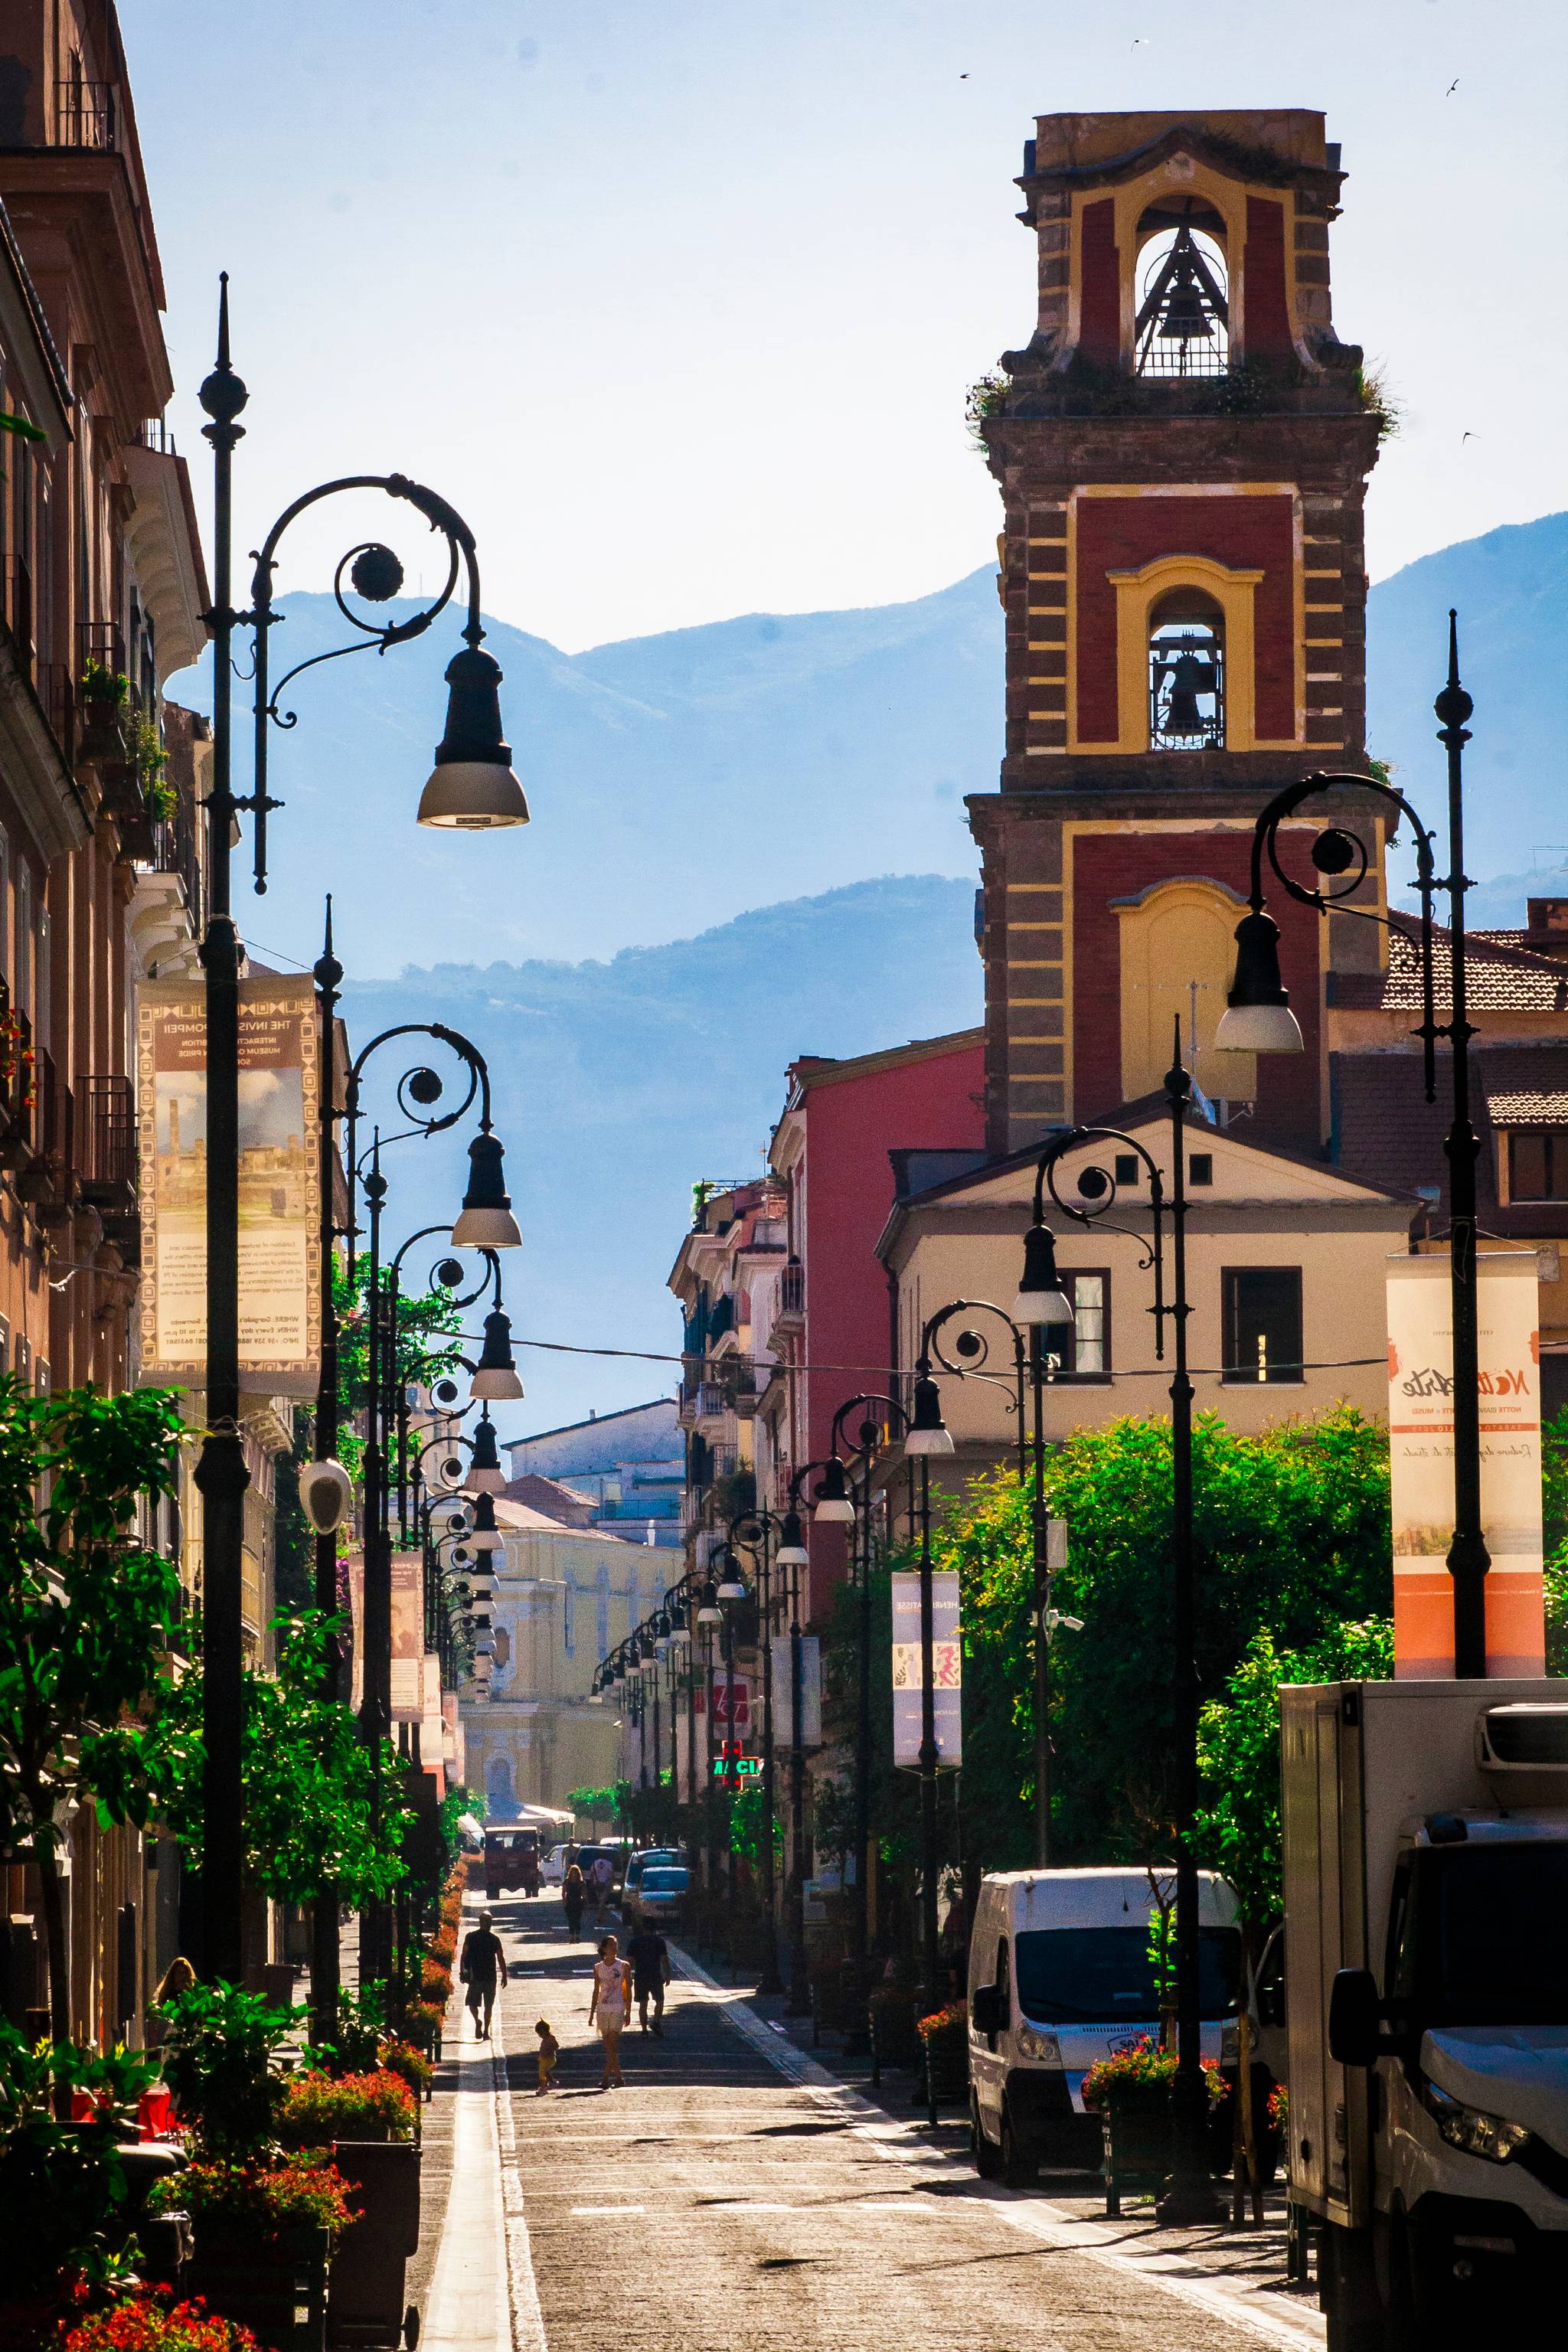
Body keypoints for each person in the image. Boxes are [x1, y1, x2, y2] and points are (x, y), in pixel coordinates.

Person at [587, 1932, 631, 2089]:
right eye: (611, 1945)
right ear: (604, 1948)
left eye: (616, 1944)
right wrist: (592, 2014)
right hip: (602, 2009)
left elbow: (628, 1990)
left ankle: (606, 2078)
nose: (614, 1947)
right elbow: (595, 1991)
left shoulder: (624, 1966)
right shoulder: (597, 1968)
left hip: (618, 2008)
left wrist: (629, 2011)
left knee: (612, 2044)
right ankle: (619, 2078)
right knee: (609, 2048)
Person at [459, 1909, 508, 2039]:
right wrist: (504, 1975)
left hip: (475, 1977)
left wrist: (462, 1971)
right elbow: (500, 1957)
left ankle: (477, 2021)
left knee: (472, 2003)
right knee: (489, 2006)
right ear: (490, 1923)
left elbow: (463, 1956)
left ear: (480, 1922)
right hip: (490, 1977)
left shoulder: (470, 1937)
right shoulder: (494, 1939)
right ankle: (486, 2031)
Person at [626, 1921, 671, 2037]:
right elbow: (664, 1959)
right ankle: (656, 2021)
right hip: (655, 1975)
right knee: (659, 2000)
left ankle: (644, 2030)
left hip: (640, 1975)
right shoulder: (659, 1941)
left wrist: (628, 1975)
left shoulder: (635, 1941)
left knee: (643, 2004)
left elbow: (629, 1960)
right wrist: (667, 1975)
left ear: (643, 1928)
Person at [534, 2017, 560, 2095]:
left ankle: (544, 2088)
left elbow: (556, 2046)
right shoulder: (545, 2039)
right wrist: (541, 2056)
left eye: (540, 2034)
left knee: (543, 2073)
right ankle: (552, 2082)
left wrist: (549, 2052)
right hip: (545, 2058)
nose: (540, 2036)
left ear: (544, 2031)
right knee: (544, 2072)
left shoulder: (551, 2038)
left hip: (550, 2058)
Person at [563, 1862, 586, 1942]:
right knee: (571, 1920)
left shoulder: (581, 1882)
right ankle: (572, 1937)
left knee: (577, 1920)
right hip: (569, 1902)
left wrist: (584, 1901)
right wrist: (564, 1902)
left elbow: (584, 1893)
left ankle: (577, 1936)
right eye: (572, 1872)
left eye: (576, 1872)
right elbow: (563, 1893)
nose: (574, 1874)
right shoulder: (567, 1881)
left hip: (578, 1902)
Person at [590, 1851, 613, 1926]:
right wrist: (611, 1882)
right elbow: (612, 1874)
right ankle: (600, 1916)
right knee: (603, 1900)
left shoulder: (595, 1863)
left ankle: (600, 1915)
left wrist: (593, 1882)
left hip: (597, 1883)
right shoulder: (609, 1863)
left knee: (600, 1900)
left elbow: (591, 1874)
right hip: (606, 1884)